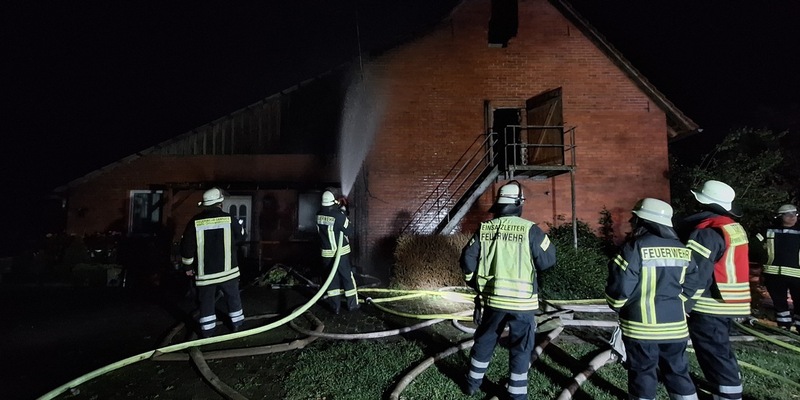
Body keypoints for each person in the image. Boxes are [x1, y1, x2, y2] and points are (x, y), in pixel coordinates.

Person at [460, 181, 556, 399]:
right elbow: (548, 260)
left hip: (494, 300)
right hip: (523, 303)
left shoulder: (485, 229)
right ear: (519, 204)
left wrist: (473, 282)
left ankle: (472, 384)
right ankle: (517, 394)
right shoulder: (530, 230)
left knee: (485, 340)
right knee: (521, 348)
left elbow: (467, 259)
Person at [605, 198, 700, 400]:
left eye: (635, 218)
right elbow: (695, 281)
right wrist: (681, 302)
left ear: (644, 221)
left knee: (643, 374)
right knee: (678, 374)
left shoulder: (634, 248)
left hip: (641, 328)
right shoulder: (683, 249)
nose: (632, 222)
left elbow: (621, 286)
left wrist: (617, 306)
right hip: (676, 327)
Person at [677, 180, 751, 400]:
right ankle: (728, 387)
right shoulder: (731, 227)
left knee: (714, 355)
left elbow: (695, 273)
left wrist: (683, 303)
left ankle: (728, 394)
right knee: (720, 352)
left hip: (708, 305)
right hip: (728, 301)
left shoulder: (707, 231)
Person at [180, 187, 247, 338]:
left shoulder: (194, 223)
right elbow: (242, 236)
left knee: (206, 302)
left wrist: (188, 267)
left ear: (204, 205)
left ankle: (208, 332)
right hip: (229, 272)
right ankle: (237, 326)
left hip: (205, 275)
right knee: (233, 298)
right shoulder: (229, 219)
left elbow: (187, 248)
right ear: (220, 204)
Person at [756, 204, 800, 332]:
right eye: (788, 214)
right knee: (779, 303)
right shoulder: (768, 231)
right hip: (774, 274)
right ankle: (783, 327)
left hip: (797, 275)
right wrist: (763, 258)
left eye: (795, 213)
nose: (792, 217)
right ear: (779, 217)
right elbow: (754, 245)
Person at [316, 190, 359, 314]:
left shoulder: (318, 214)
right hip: (340, 254)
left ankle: (335, 307)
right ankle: (353, 306)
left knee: (331, 281)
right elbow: (349, 231)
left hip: (326, 255)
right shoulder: (338, 216)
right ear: (332, 201)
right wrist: (344, 214)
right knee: (347, 278)